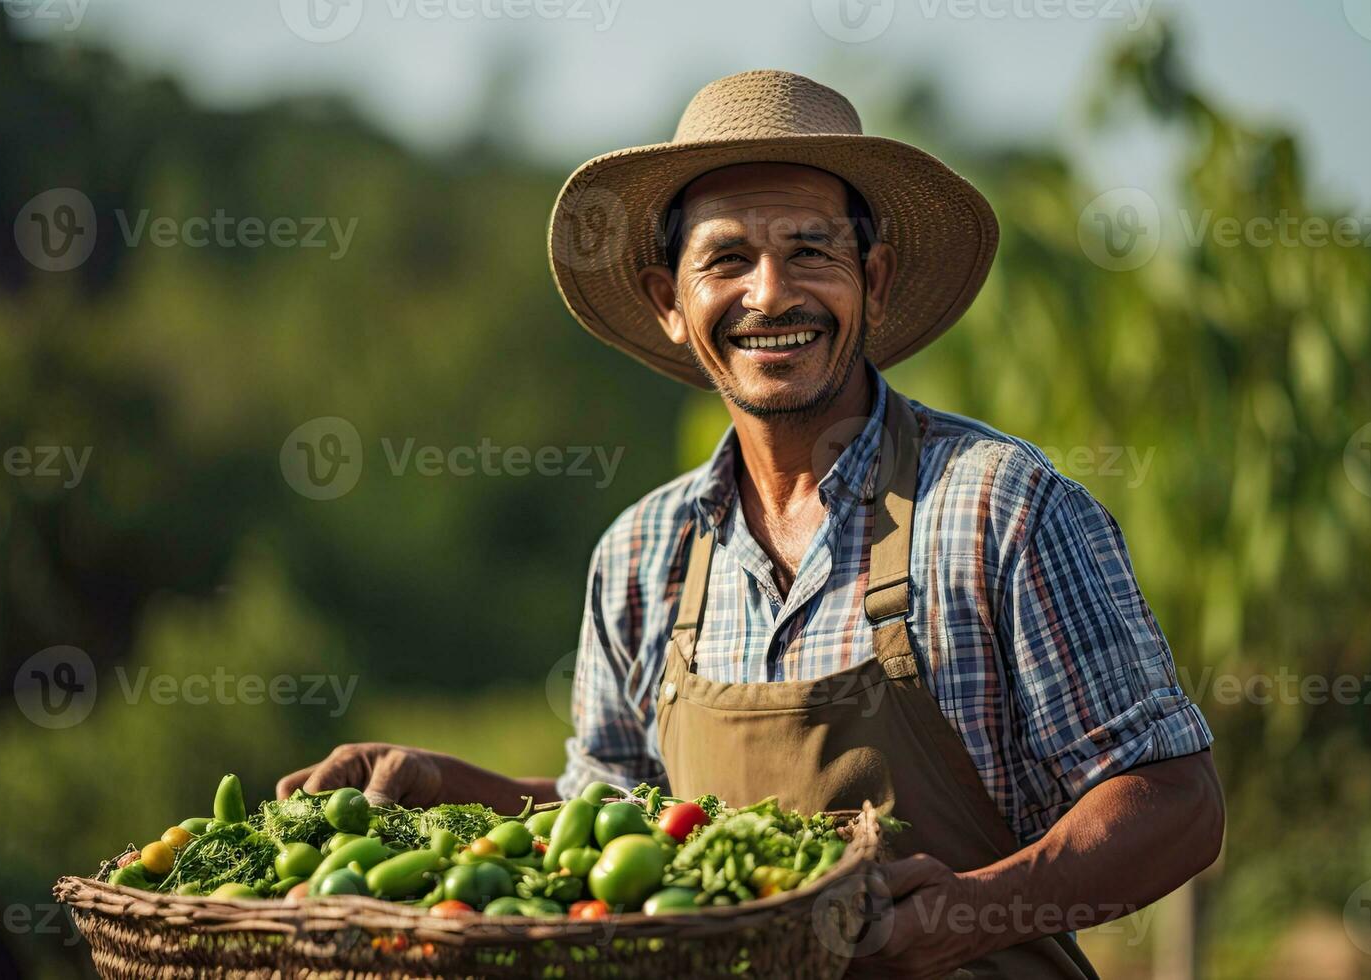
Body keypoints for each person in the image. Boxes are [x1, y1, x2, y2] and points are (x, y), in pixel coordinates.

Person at [278, 69, 1223, 978]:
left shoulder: (996, 508)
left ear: (875, 280)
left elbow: (1176, 804)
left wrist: (973, 913)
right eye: (726, 259)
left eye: (810, 251)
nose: (770, 294)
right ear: (669, 306)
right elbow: (611, 820)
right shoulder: (643, 556)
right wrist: (446, 784)